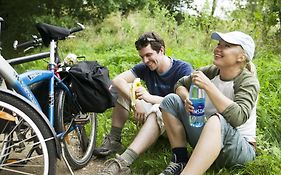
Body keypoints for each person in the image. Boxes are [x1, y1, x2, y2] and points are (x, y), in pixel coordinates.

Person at [159, 31, 260, 175]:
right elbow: (180, 84)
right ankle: (180, 160)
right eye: (219, 44)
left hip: (238, 150)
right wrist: (186, 97)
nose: (218, 48)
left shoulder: (248, 81)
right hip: (209, 141)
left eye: (227, 46)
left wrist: (208, 86)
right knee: (170, 100)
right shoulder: (212, 71)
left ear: (241, 57)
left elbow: (238, 117)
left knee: (216, 119)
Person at [94, 32, 193, 174]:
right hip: (153, 115)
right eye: (142, 57)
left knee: (159, 108)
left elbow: (181, 102)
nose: (145, 61)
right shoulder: (145, 67)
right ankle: (114, 140)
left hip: (174, 122)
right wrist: (136, 101)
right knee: (123, 91)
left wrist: (148, 97)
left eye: (149, 55)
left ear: (161, 50)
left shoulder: (183, 68)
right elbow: (117, 81)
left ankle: (124, 162)